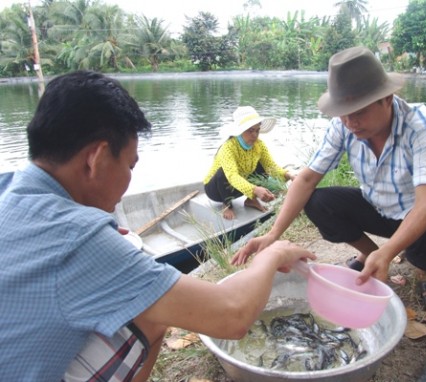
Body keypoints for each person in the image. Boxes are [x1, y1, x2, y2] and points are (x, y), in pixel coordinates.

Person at [0, 71, 316, 381]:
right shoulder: (77, 237)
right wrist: (272, 255)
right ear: (95, 159)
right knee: (149, 318)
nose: (129, 178)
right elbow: (232, 315)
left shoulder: (9, 188)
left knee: (149, 317)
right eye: (129, 165)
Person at [232, 47, 426, 311]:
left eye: (360, 111)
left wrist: (389, 253)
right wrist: (273, 234)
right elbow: (306, 180)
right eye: (344, 112)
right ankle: (369, 253)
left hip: (425, 213)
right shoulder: (342, 126)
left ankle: (424, 271)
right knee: (318, 201)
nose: (351, 122)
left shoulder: (421, 124)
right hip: (380, 208)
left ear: (386, 99)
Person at [204, 106, 295, 220]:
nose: (255, 135)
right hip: (216, 189)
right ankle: (226, 205)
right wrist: (255, 190)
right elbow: (232, 176)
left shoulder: (259, 145)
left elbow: (271, 166)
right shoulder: (228, 148)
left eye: (257, 130)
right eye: (250, 130)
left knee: (262, 165)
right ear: (240, 131)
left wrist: (289, 175)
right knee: (222, 172)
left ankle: (250, 199)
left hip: (239, 186)